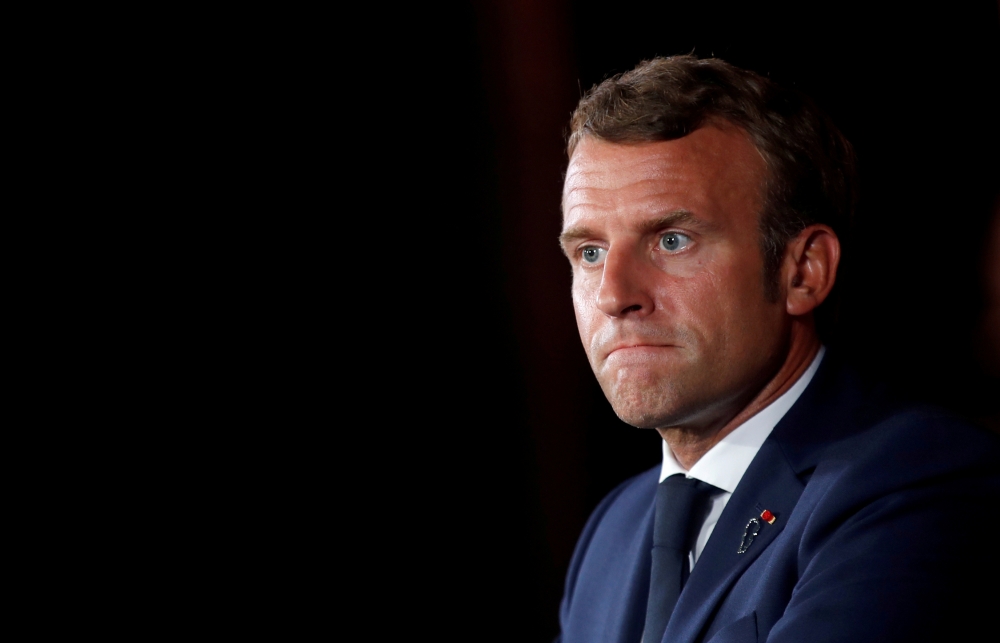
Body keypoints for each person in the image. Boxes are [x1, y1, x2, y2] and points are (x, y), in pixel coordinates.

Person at [555, 55, 999, 643]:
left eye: (671, 240)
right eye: (589, 252)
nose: (614, 295)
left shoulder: (916, 481)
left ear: (802, 272)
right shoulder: (613, 530)